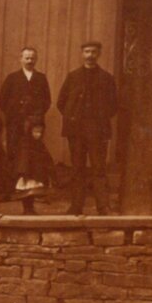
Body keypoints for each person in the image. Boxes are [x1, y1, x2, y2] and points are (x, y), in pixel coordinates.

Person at [56, 41, 118, 215]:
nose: (90, 55)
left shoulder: (106, 78)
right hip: (76, 130)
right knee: (77, 169)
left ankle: (103, 206)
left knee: (99, 168)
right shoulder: (73, 76)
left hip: (97, 130)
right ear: (82, 54)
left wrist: (98, 119)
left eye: (93, 52)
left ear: (99, 54)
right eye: (87, 52)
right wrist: (73, 117)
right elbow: (62, 102)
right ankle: (76, 206)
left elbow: (113, 105)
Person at [0, 47, 52, 154]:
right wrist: (12, 113)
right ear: (21, 59)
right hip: (14, 121)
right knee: (13, 147)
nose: (29, 61)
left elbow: (47, 100)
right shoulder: (12, 78)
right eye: (27, 58)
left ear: (36, 60)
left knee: (34, 149)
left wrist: (37, 114)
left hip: (35, 121)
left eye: (32, 58)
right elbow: (2, 100)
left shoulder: (41, 78)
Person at [11, 117, 54, 214]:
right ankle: (26, 209)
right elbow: (23, 159)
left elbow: (46, 158)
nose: (38, 135)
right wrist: (23, 172)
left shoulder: (40, 144)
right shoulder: (25, 143)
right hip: (27, 173)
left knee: (32, 192)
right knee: (25, 192)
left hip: (36, 172)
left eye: (40, 132)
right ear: (30, 130)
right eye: (35, 132)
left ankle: (30, 208)